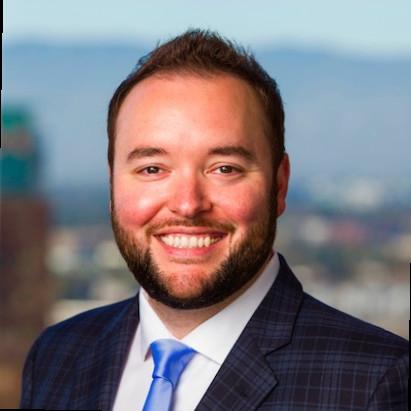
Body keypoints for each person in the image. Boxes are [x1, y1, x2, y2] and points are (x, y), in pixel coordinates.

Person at [20, 30, 408, 411]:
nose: (188, 204)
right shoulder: (58, 356)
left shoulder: (375, 383)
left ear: (279, 184)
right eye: (153, 169)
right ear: (112, 184)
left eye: (224, 168)